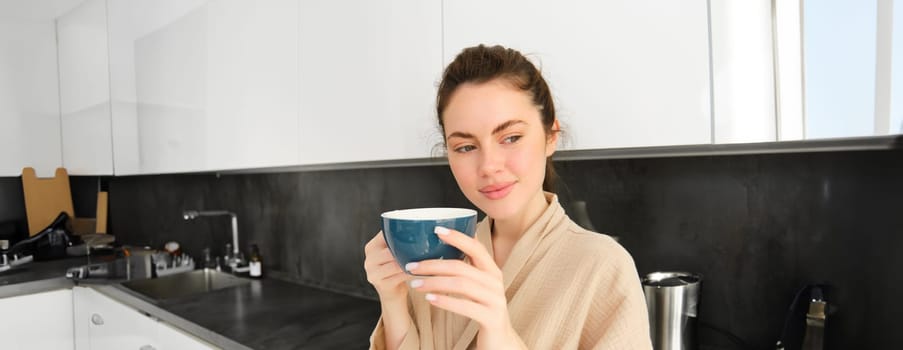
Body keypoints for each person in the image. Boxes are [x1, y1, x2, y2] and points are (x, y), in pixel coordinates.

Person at [364, 44, 652, 350]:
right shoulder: (436, 252)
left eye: (511, 137)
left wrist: (501, 335)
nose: (488, 166)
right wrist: (393, 300)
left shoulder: (604, 266)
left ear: (551, 136)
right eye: (465, 147)